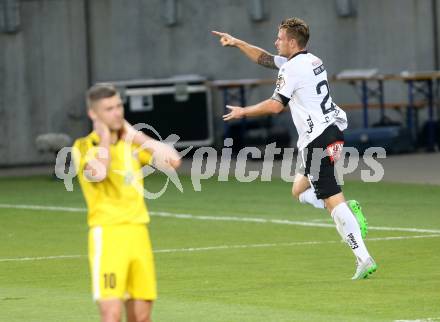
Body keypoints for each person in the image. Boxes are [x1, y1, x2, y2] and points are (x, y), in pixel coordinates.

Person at [213, 17, 377, 280]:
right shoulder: (311, 60)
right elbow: (265, 59)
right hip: (330, 132)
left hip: (318, 139)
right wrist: (237, 43)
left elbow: (276, 105)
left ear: (291, 42)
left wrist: (244, 111)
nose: (275, 41)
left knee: (332, 200)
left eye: (279, 37)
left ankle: (363, 256)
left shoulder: (292, 69)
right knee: (299, 190)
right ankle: (348, 209)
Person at [73, 83, 181, 322]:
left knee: (142, 317)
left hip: (139, 235)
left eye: (119, 106)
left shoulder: (131, 144)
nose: (117, 113)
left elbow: (172, 160)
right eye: (109, 108)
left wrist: (136, 136)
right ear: (94, 114)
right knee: (111, 315)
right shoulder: (83, 147)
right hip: (109, 236)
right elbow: (99, 173)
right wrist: (104, 137)